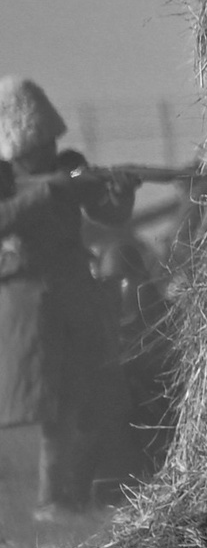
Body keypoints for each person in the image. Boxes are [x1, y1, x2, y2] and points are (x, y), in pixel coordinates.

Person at [0, 76, 135, 518]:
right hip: (29, 297)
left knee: (84, 392)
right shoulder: (9, 180)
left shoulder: (71, 166)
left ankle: (71, 494)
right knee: (50, 399)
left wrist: (122, 192)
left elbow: (108, 214)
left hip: (75, 289)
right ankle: (50, 498)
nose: (46, 151)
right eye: (36, 145)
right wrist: (48, 190)